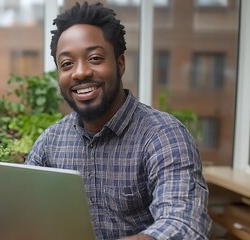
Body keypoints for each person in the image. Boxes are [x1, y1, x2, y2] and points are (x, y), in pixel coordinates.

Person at [24, 2, 211, 239]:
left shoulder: (164, 136)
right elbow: (25, 212)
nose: (80, 72)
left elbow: (184, 225)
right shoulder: (51, 142)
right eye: (67, 64)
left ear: (120, 64)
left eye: (94, 58)